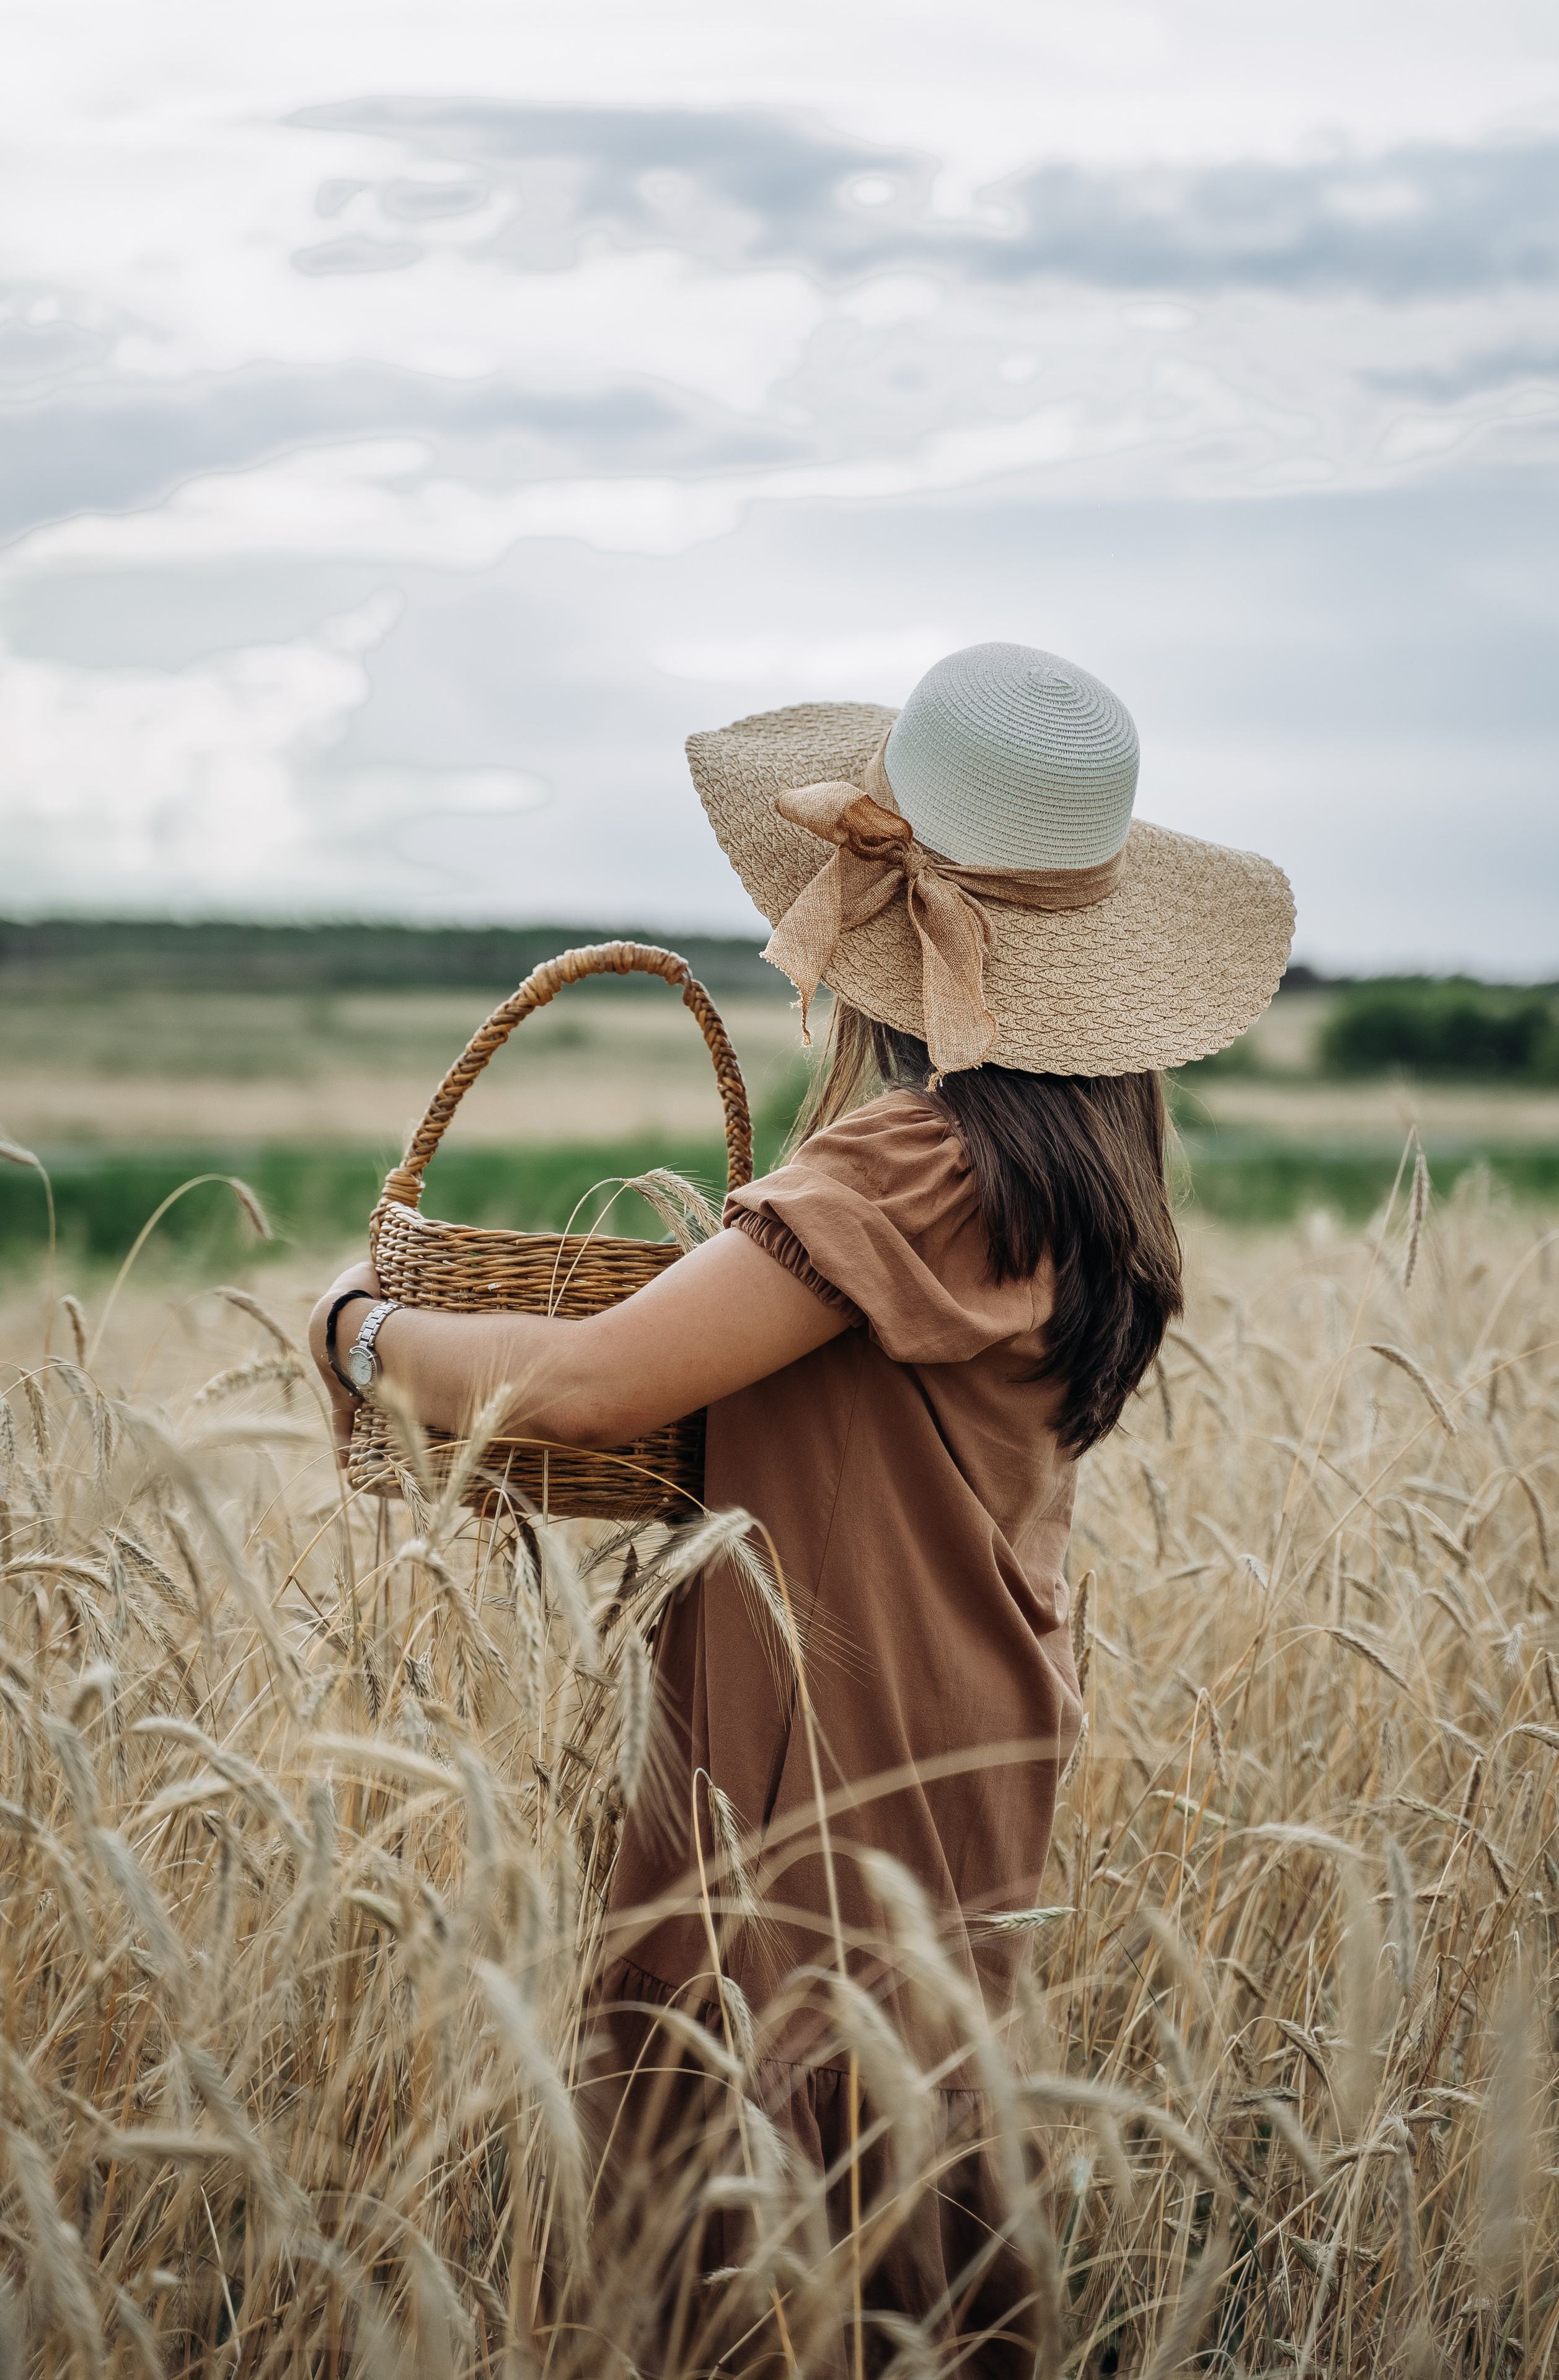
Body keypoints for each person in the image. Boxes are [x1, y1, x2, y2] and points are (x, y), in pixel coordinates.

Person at [309, 641, 1292, 2374]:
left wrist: (359, 1327)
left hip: (827, 1737)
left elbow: (598, 1386)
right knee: (903, 2175)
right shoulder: (1067, 1160)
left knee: (760, 2182)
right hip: (962, 1712)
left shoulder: (913, 1165)